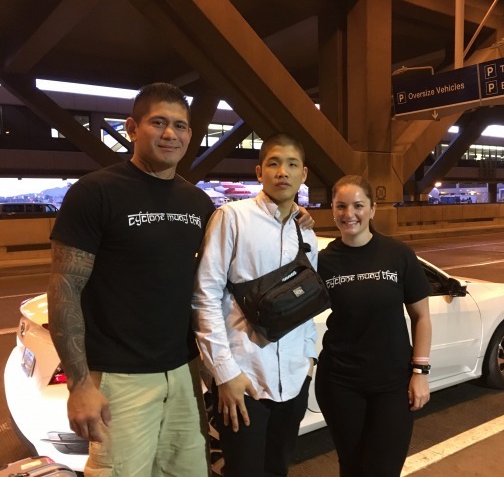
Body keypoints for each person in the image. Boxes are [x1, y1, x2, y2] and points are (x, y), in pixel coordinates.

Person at [47, 82, 214, 477]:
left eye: (180, 125)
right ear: (132, 128)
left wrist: (291, 218)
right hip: (119, 379)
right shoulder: (95, 192)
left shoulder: (198, 202)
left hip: (184, 373)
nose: (170, 134)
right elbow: (65, 286)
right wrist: (80, 384)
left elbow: (212, 283)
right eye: (158, 122)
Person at [192, 132, 318, 477]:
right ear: (260, 172)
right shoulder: (232, 217)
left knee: (278, 469)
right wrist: (225, 374)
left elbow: (306, 303)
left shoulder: (305, 232)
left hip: (293, 378)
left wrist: (308, 359)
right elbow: (205, 295)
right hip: (243, 378)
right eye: (274, 163)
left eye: (292, 164)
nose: (283, 172)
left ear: (304, 174)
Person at [315, 175, 433, 477]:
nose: (349, 214)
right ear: (332, 209)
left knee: (383, 469)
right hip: (339, 382)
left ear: (373, 209)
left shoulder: (398, 254)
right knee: (351, 467)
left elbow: (422, 317)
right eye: (341, 206)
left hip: (393, 384)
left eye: (358, 205)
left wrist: (420, 373)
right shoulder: (322, 261)